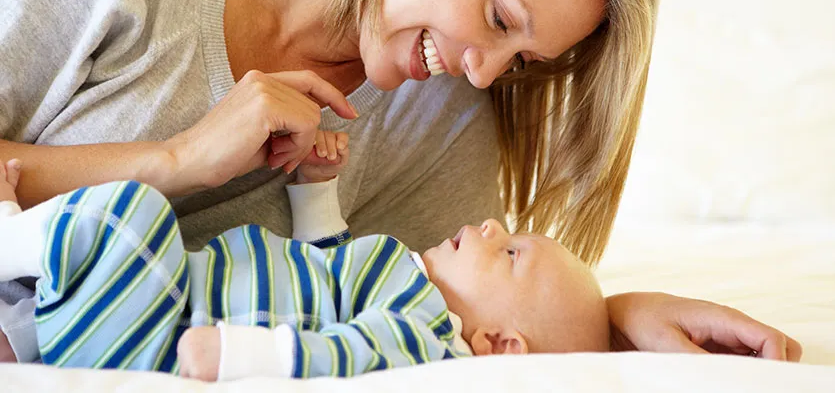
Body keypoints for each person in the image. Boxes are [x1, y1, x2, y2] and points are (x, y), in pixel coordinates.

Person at [0, 0, 801, 364]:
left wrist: (610, 324)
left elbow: (459, 323)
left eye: (521, 59)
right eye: (496, 17)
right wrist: (176, 162)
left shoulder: (440, 124)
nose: (485, 74)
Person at [0, 136, 609, 379]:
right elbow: (323, 270)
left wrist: (240, 354)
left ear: (499, 344)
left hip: (165, 334)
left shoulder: (426, 337)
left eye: (508, 251)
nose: (490, 223)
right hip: (151, 307)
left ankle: (9, 235)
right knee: (40, 308)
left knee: (135, 216)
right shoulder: (401, 280)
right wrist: (316, 188)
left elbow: (345, 353)